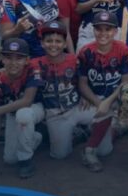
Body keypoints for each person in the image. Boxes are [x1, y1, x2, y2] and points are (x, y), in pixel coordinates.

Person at [77, 12, 128, 177]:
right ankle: (116, 130)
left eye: (108, 29)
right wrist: (97, 101)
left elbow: (126, 82)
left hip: (116, 97)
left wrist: (107, 102)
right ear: (93, 30)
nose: (103, 33)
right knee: (105, 151)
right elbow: (82, 83)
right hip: (96, 99)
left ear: (115, 31)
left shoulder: (122, 49)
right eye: (99, 29)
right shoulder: (86, 51)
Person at [0, 38, 42, 178]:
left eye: (19, 58)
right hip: (12, 113)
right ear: (2, 59)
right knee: (10, 159)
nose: (13, 62)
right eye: (8, 58)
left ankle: (26, 161)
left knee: (24, 114)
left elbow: (27, 101)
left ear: (27, 60)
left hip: (37, 109)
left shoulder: (33, 68)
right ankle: (37, 137)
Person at [31, 21, 97, 162]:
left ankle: (117, 127)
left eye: (58, 41)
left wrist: (85, 96)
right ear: (42, 43)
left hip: (77, 107)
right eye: (49, 41)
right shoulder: (34, 63)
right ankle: (73, 134)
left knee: (103, 115)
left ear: (65, 44)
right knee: (60, 155)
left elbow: (84, 81)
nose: (53, 45)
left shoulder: (74, 60)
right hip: (55, 114)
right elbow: (16, 68)